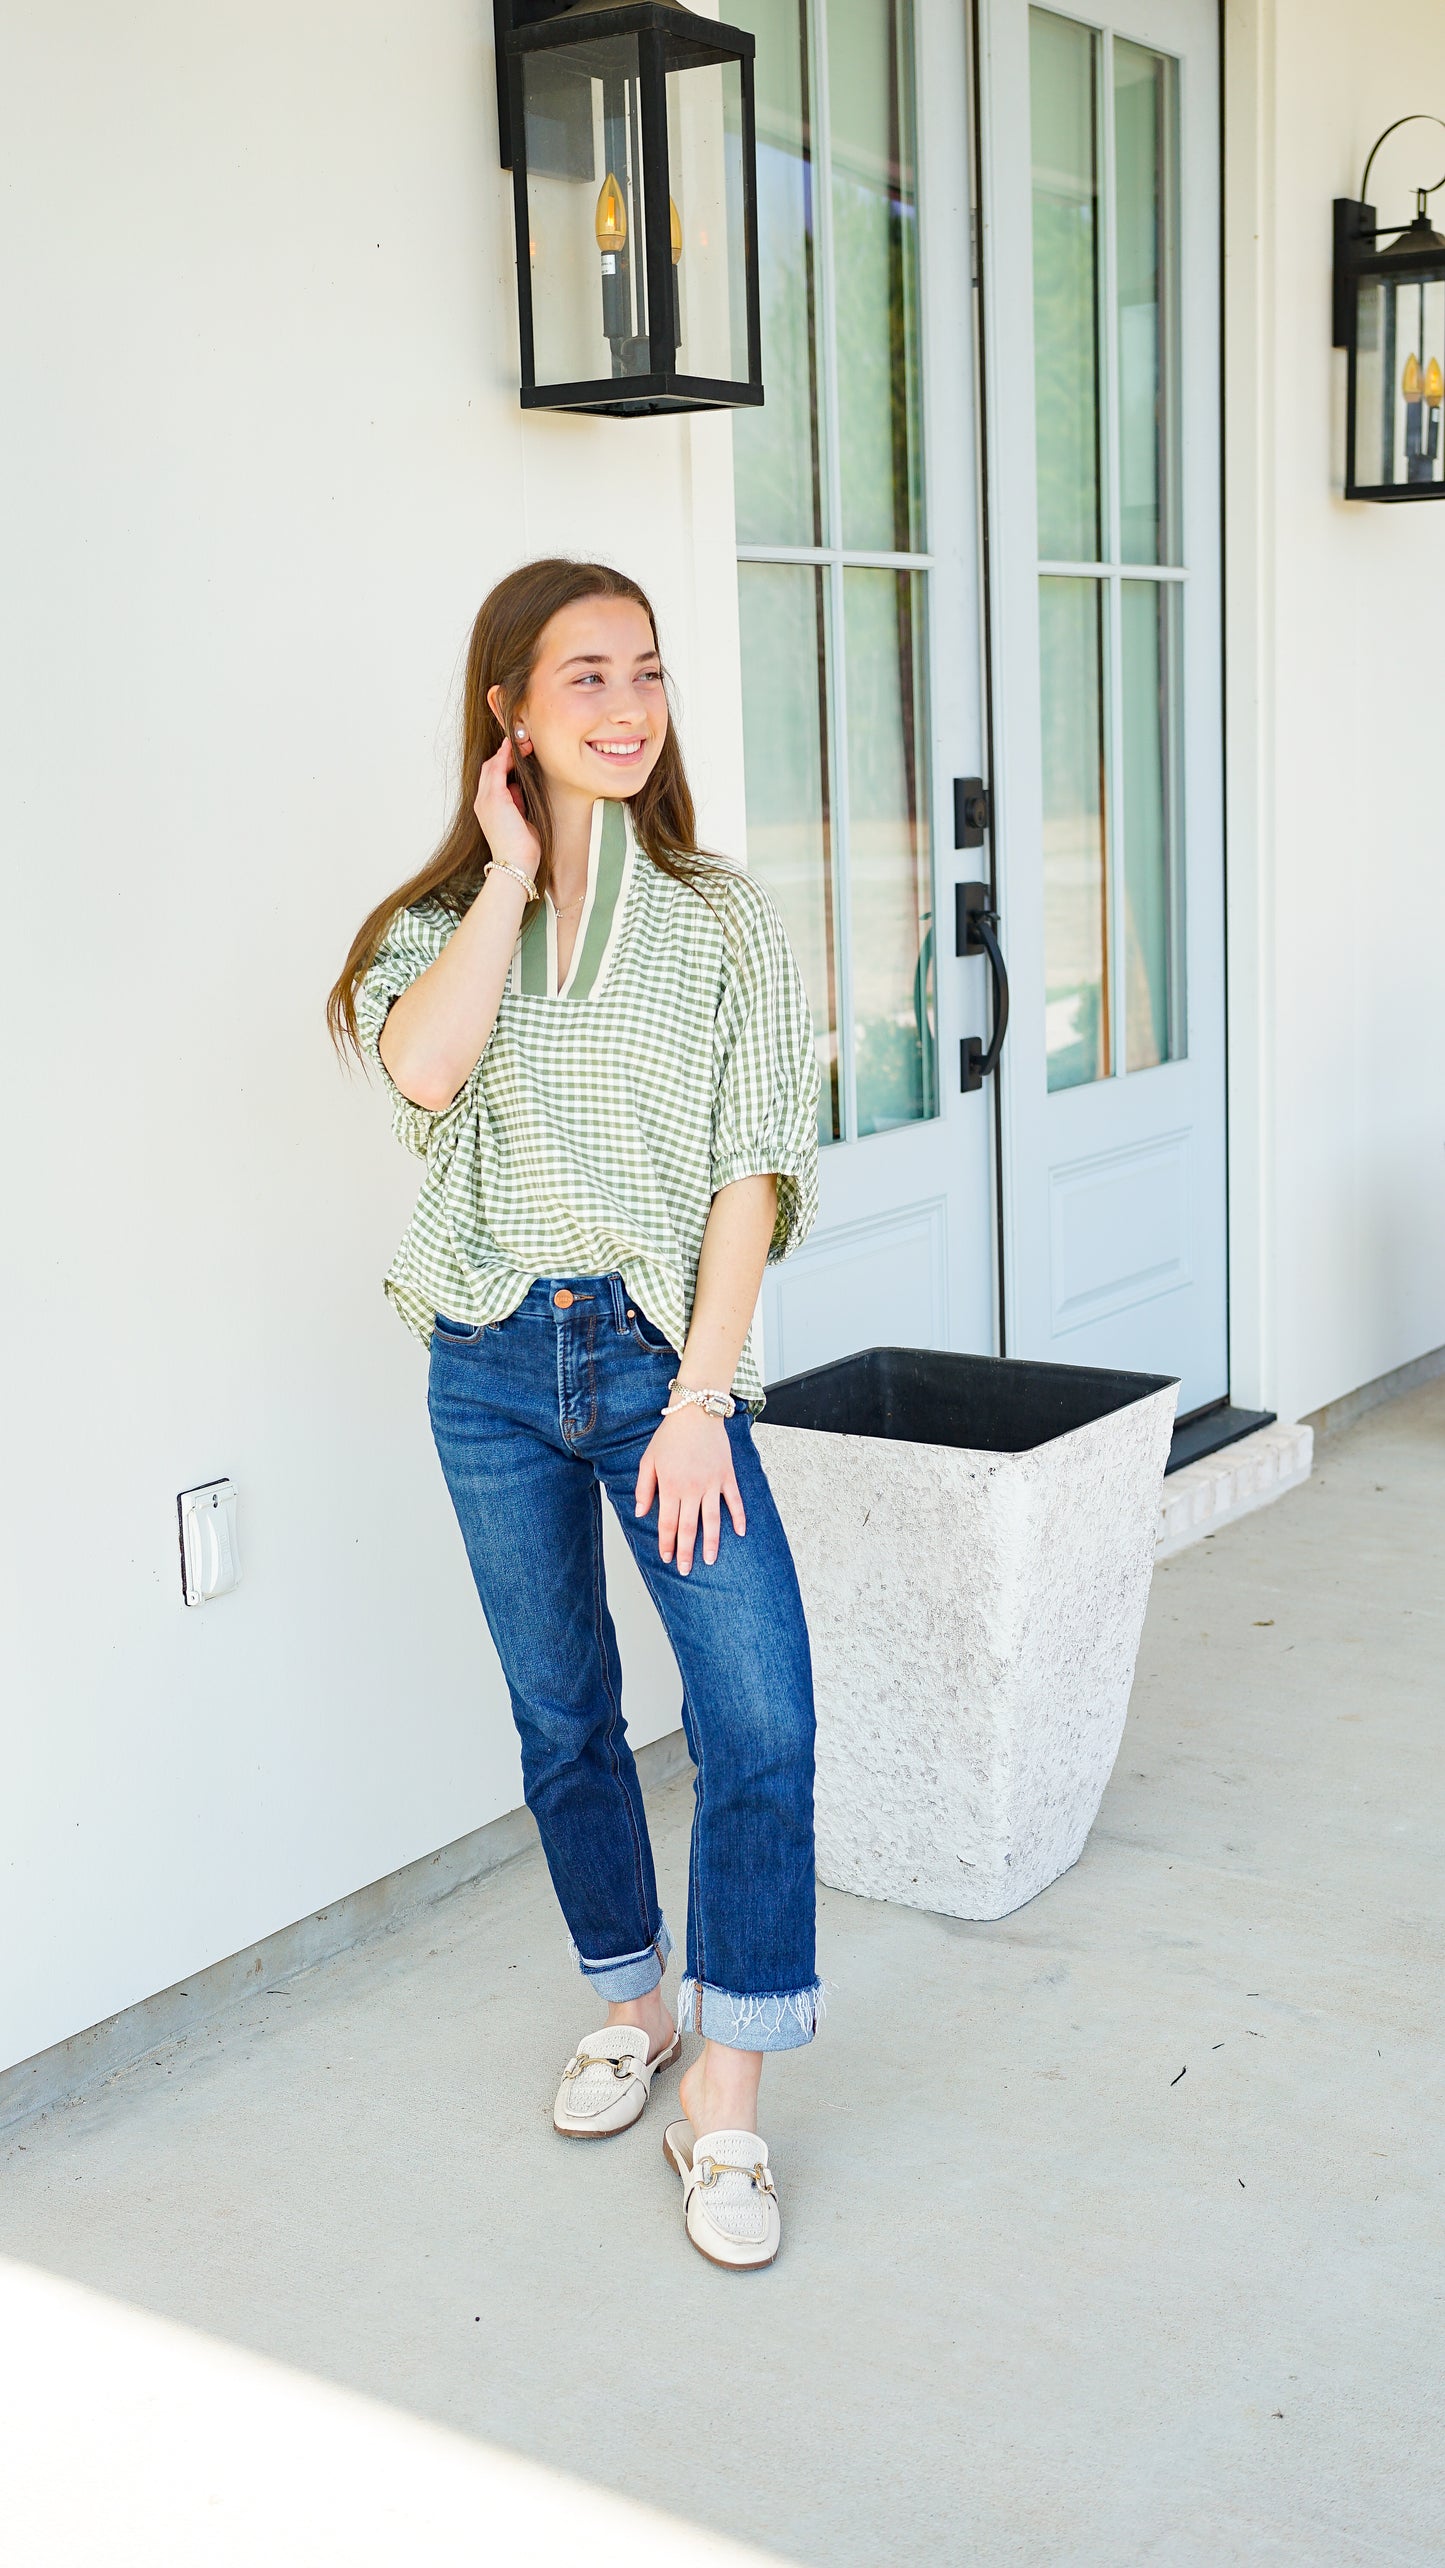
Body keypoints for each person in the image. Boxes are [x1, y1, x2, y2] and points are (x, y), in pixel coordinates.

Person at [328, 558, 822, 2270]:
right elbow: (425, 1070)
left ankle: (725, 2102)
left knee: (758, 1719)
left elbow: (753, 1168)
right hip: (484, 1361)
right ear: (510, 712)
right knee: (563, 1717)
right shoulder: (434, 928)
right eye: (586, 677)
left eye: (647, 672)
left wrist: (700, 1396)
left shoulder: (723, 918)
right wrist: (510, 874)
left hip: (653, 1363)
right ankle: (632, 2002)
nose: (627, 707)